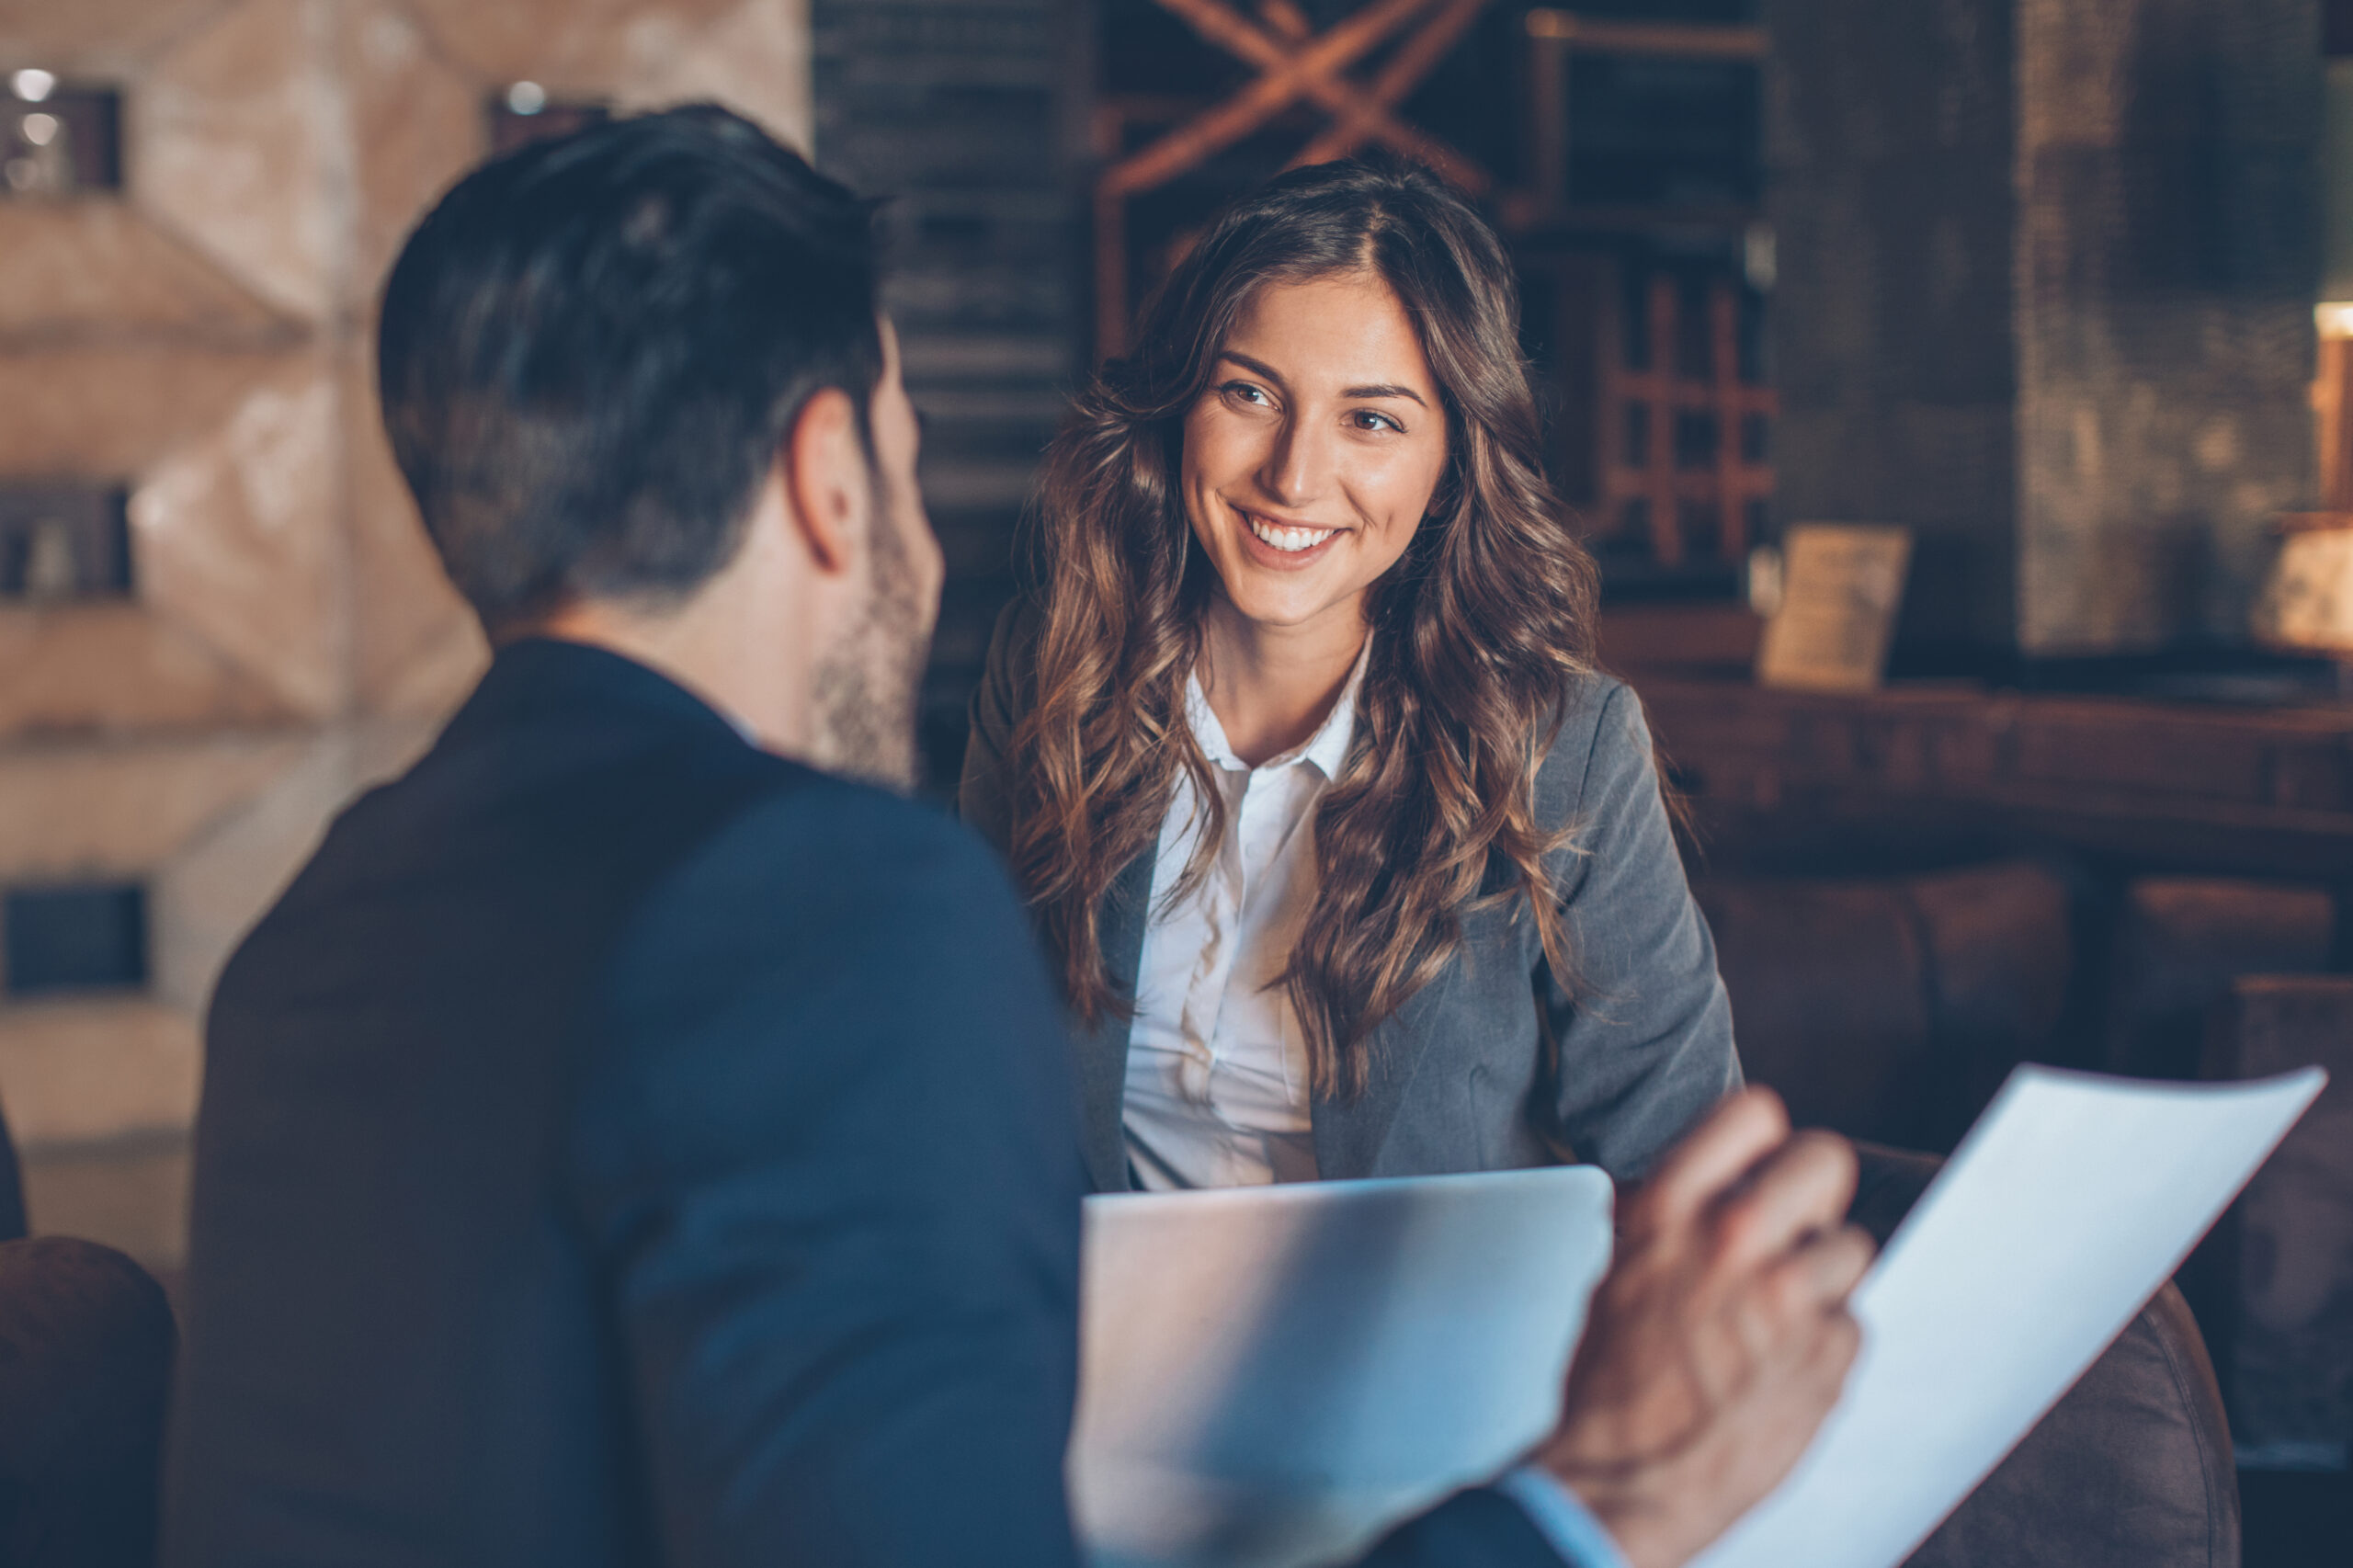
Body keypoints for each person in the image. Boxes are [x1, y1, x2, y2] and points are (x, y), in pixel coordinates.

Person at [163, 107, 1872, 1568]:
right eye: (902, 453)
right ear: (832, 478)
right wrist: (1590, 1513)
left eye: (1374, 416)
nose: (1296, 466)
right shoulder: (839, 886)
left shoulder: (304, 932)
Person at [961, 157, 1736, 1197]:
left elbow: (1685, 1167)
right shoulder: (1052, 671)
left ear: (1452, 460)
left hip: (1430, 1355)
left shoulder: (1564, 747)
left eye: (1369, 420)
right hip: (1098, 1345)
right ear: (1178, 404)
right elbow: (961, 1071)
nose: (1290, 474)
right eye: (1249, 393)